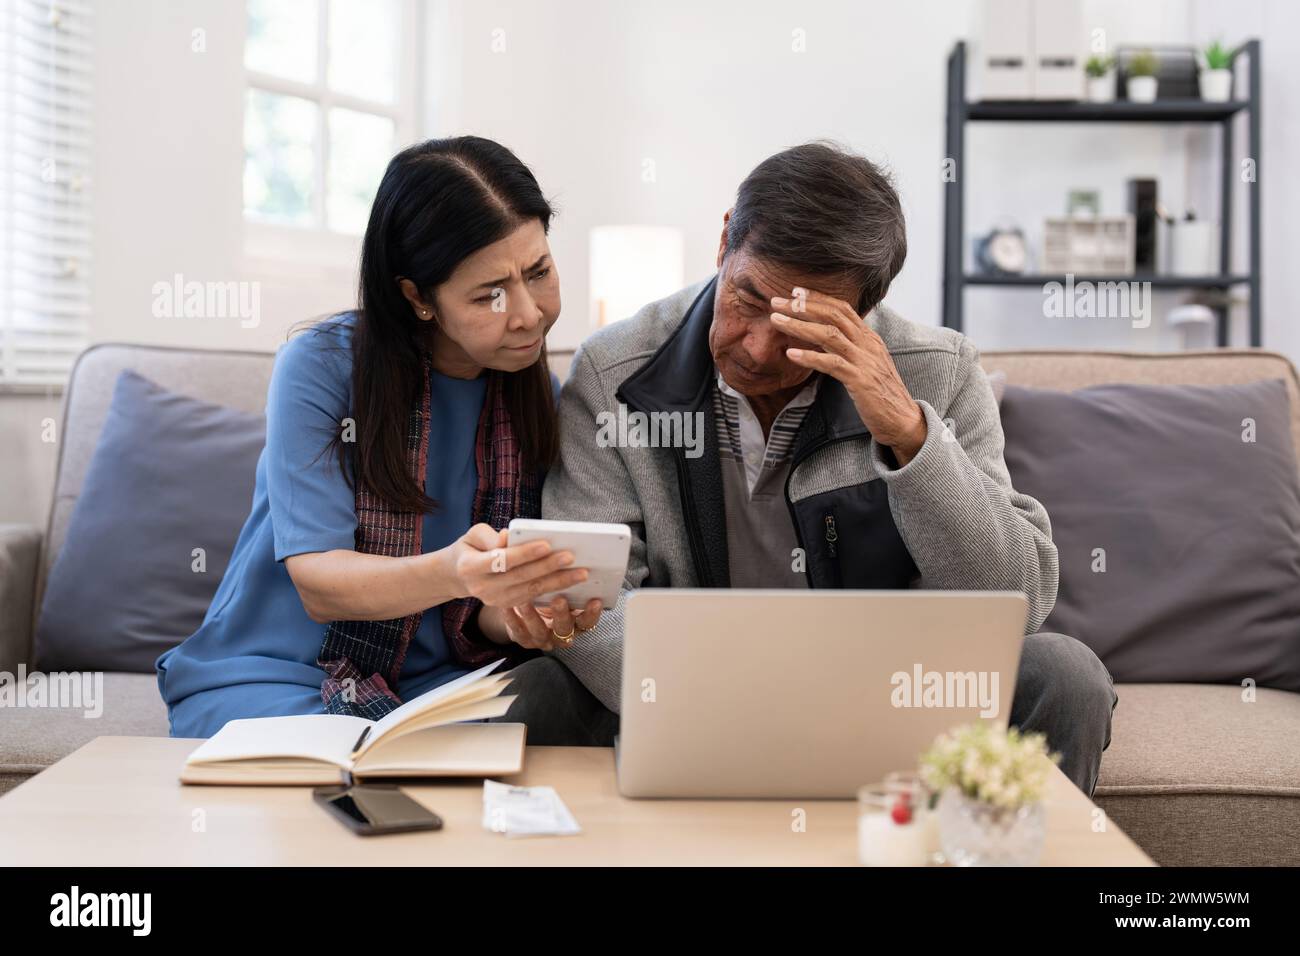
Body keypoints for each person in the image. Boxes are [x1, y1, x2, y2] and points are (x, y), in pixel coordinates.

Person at [509, 141, 1118, 795]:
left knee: (1065, 674)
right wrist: (735, 708)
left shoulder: (938, 371)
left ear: (864, 312)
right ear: (724, 244)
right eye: (747, 298)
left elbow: (1015, 602)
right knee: (535, 689)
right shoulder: (615, 371)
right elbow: (586, 601)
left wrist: (910, 437)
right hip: (690, 697)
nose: (759, 348)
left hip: (897, 691)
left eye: (803, 327)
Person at [157, 136, 600, 737]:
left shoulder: (537, 394)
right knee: (351, 751)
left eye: (539, 271)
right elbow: (318, 584)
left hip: (438, 680)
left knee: (559, 696)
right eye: (489, 294)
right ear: (417, 296)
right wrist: (456, 571)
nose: (527, 313)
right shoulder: (320, 367)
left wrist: (524, 613)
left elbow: (485, 615)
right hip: (280, 674)